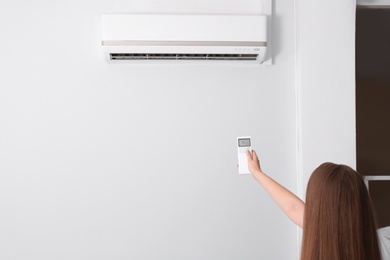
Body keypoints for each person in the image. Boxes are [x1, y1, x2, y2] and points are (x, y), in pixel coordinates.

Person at [246, 149, 385, 260]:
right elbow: (293, 208)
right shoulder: (379, 244)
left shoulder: (323, 236)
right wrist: (257, 173)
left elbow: (294, 209)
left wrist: (257, 173)